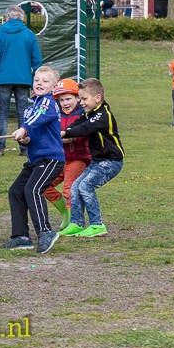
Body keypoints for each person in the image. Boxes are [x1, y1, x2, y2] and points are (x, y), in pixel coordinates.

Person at [0, 66, 65, 254]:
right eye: (37, 80)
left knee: (33, 189)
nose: (39, 84)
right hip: (35, 160)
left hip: (51, 158)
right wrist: (26, 138)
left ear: (53, 87)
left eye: (45, 81)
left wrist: (24, 128)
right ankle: (21, 237)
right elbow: (33, 131)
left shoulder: (49, 103)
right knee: (16, 191)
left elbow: (39, 117)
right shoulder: (31, 108)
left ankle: (45, 232)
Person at [59, 78, 125, 239]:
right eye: (80, 99)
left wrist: (66, 134)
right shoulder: (89, 113)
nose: (81, 102)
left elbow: (85, 128)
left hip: (111, 161)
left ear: (97, 98)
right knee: (75, 186)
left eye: (84, 99)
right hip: (98, 162)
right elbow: (77, 123)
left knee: (85, 187)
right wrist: (66, 131)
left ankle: (97, 225)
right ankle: (76, 223)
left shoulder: (103, 115)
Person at [0, 5, 42, 157]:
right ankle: (25, 148)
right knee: (24, 114)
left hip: (3, 79)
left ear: (7, 17)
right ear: (22, 18)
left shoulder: (0, 34)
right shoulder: (29, 35)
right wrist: (37, 83)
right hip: (24, 80)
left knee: (2, 113)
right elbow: (37, 61)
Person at [42, 78, 91, 231]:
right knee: (44, 186)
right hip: (59, 160)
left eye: (69, 98)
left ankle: (74, 222)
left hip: (78, 159)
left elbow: (83, 133)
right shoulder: (56, 116)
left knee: (69, 189)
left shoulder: (83, 115)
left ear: (77, 98)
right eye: (61, 100)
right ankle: (66, 213)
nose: (65, 103)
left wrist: (67, 137)